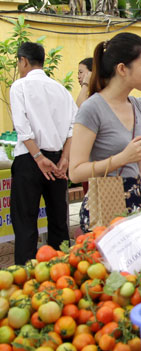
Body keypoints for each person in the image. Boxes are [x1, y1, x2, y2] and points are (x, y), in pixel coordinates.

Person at [69, 32, 141, 232]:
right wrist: (122, 158)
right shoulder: (92, 108)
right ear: (122, 69)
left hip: (138, 200)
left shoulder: (138, 106)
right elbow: (75, 172)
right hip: (106, 200)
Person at [10, 42, 77, 264]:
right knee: (59, 220)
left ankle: (26, 275)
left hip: (30, 160)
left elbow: (22, 127)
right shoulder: (61, 90)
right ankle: (61, 269)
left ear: (24, 61)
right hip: (58, 161)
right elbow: (72, 127)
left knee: (25, 222)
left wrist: (38, 157)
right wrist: (65, 158)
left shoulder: (19, 86)